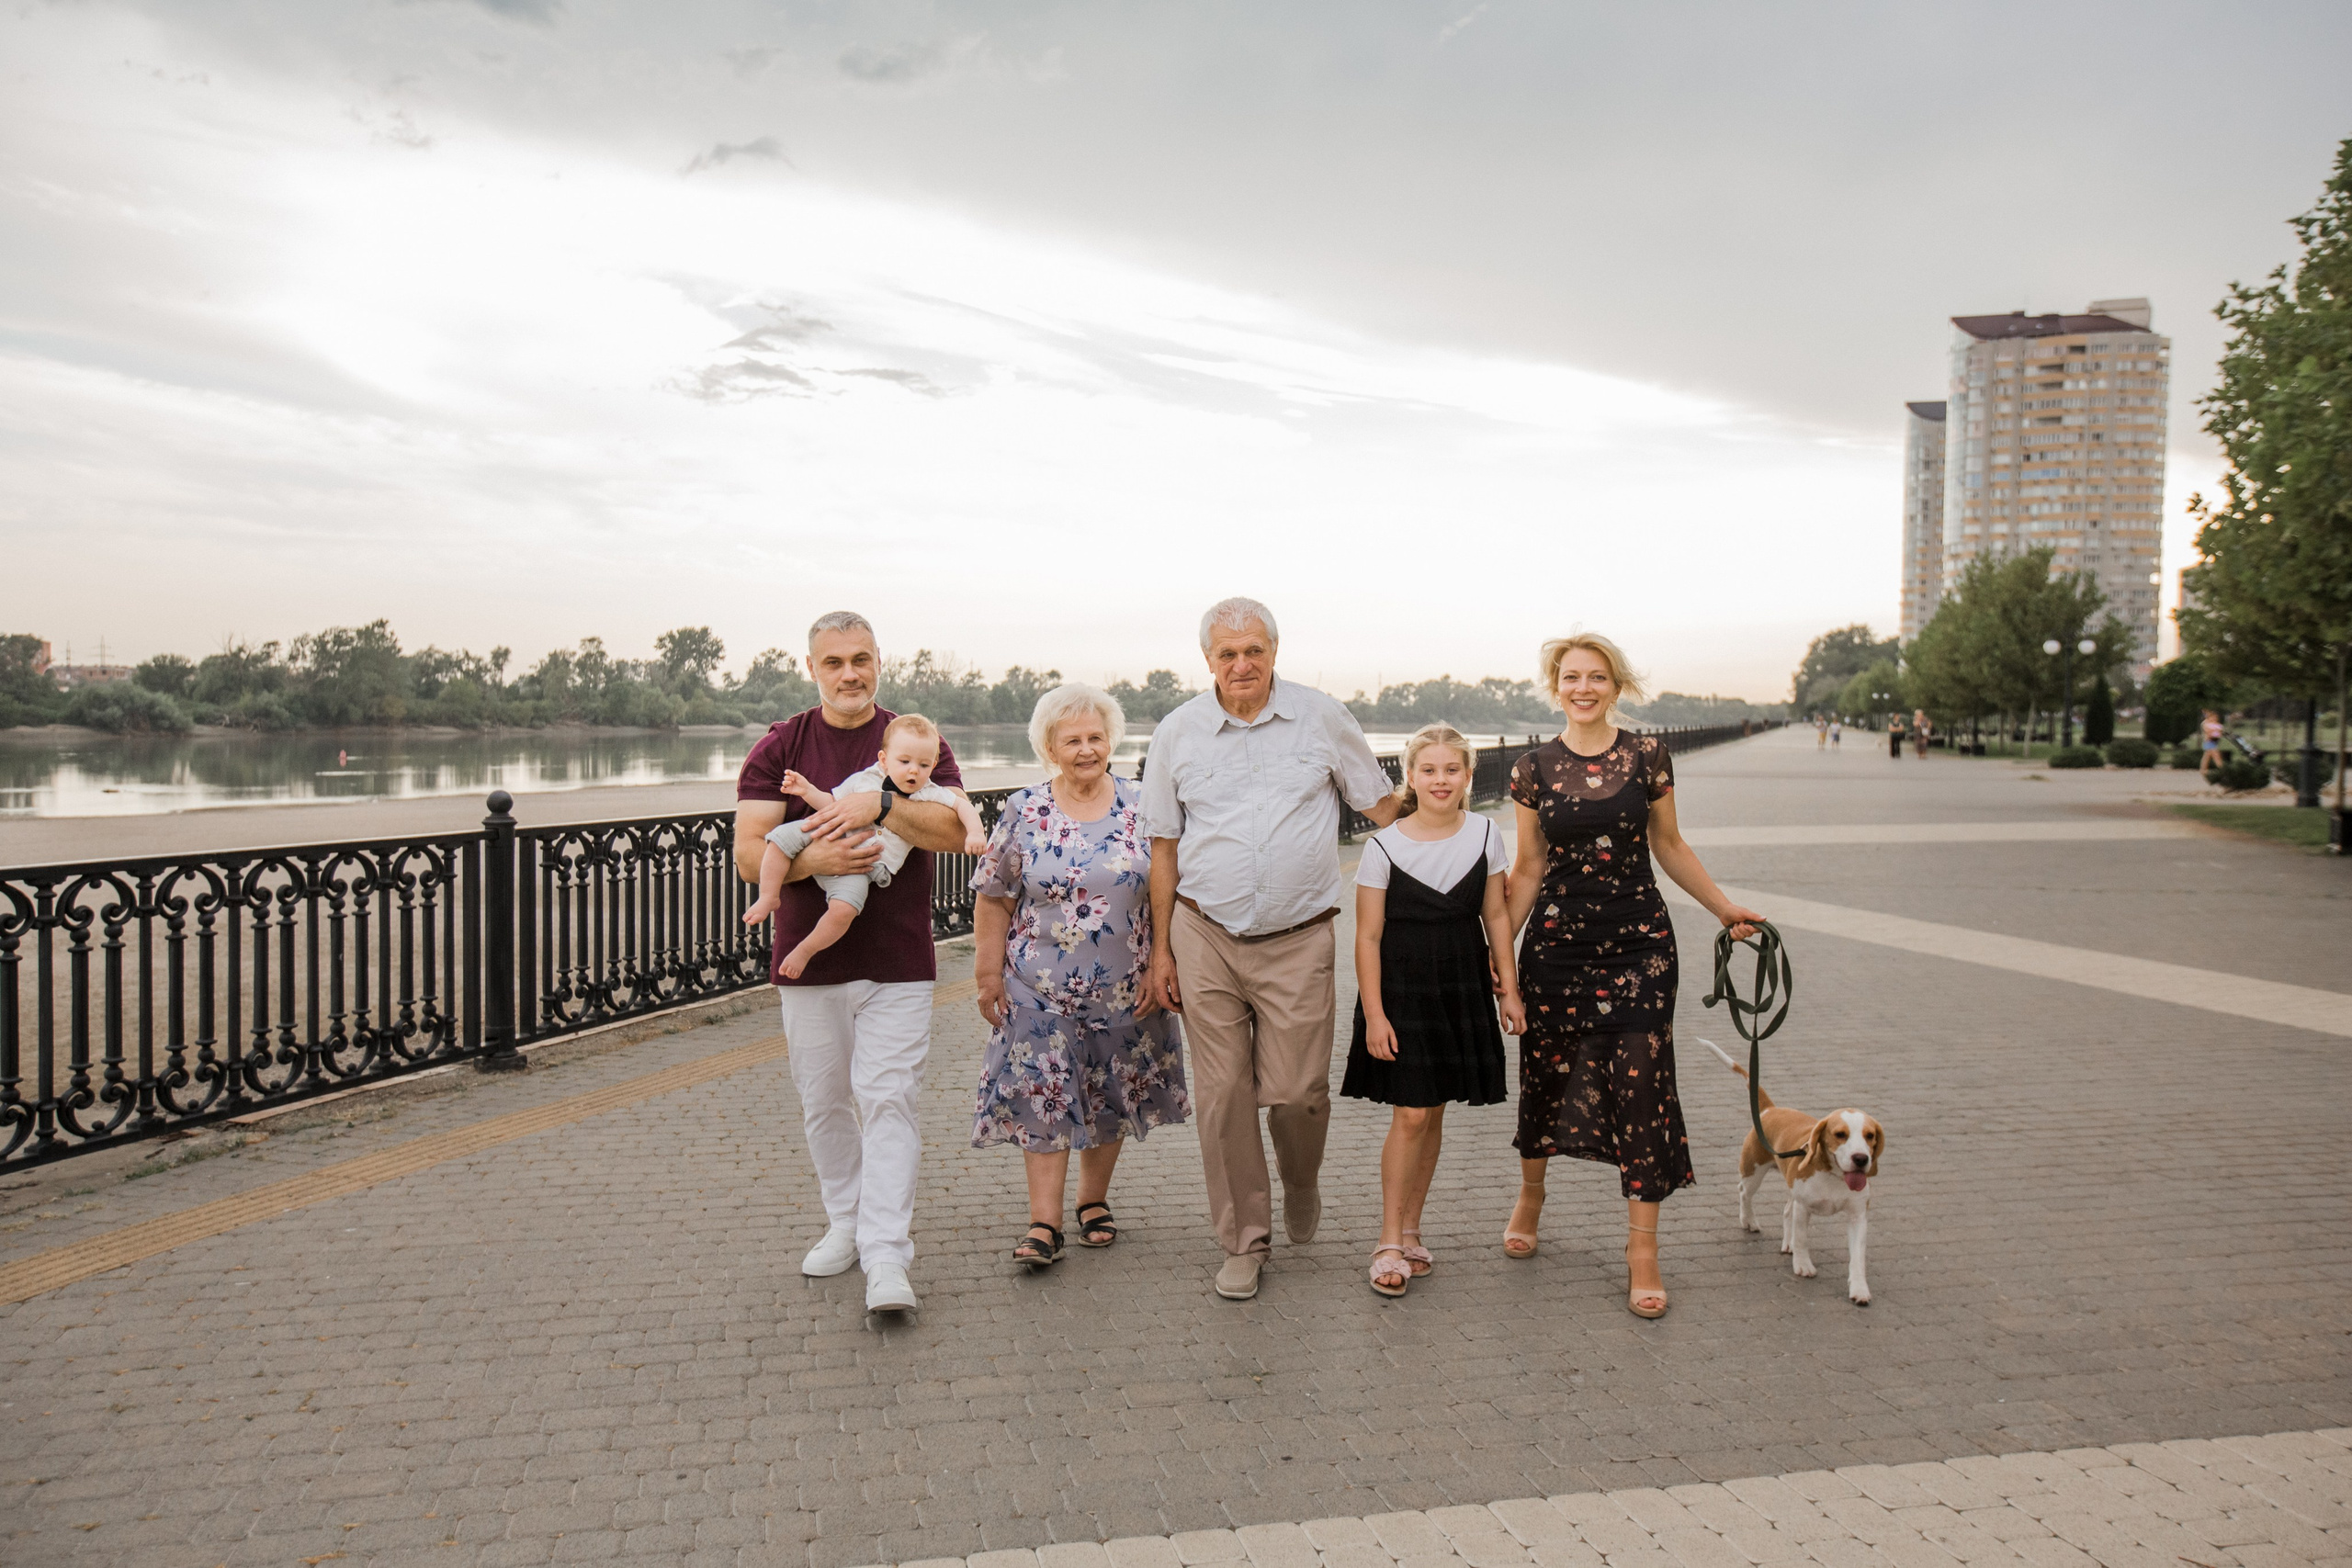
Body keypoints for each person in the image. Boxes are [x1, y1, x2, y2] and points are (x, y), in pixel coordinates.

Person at [1144, 596, 1399, 1302]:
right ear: (1207, 661)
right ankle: (1244, 1240)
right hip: (1204, 932)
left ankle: (1300, 1178)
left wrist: (1447, 796)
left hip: (1299, 938)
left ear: (1274, 651)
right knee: (1225, 1095)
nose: (1241, 664)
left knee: (1296, 1094)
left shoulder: (1322, 717)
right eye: (1226, 654)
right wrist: (1161, 949)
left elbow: (1380, 808)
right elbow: (1162, 846)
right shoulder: (1178, 732)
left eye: (1253, 650)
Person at [1504, 633, 1766, 1319]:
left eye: (1596, 677)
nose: (1582, 687)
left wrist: (1722, 908)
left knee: (1643, 1085)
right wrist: (1499, 955)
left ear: (1616, 686)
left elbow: (1668, 843)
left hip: (1640, 948)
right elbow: (1528, 866)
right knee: (1547, 1073)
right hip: (1557, 947)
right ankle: (1532, 1193)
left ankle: (1641, 1249)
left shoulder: (1647, 754)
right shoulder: (1531, 767)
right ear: (1554, 685)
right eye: (1570, 677)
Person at [733, 611, 971, 1317]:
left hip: (899, 960)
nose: (849, 673)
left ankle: (888, 1254)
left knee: (889, 1096)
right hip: (807, 963)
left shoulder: (915, 741)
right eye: (833, 661)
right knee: (824, 1100)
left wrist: (884, 799)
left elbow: (957, 831)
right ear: (812, 667)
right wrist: (819, 859)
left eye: (861, 658)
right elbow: (751, 853)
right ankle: (846, 1221)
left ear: (878, 663)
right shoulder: (781, 745)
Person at [970, 683, 1190, 1269]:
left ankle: (1093, 1200)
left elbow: (1172, 887)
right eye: (1073, 740)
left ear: (1111, 741)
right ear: (1050, 746)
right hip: (1035, 986)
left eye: (1096, 737)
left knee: (1111, 1089)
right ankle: (1044, 1222)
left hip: (1126, 983)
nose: (1087, 749)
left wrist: (1163, 961)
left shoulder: (1146, 804)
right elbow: (993, 896)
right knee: (1044, 1093)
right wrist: (987, 973)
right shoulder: (1024, 809)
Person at [1342, 724, 1521, 1297]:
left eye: (1451, 770)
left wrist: (1510, 989)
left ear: (1468, 776)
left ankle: (1414, 1228)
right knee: (1412, 1114)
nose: (1440, 780)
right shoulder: (1383, 847)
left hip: (1461, 984)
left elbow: (1496, 916)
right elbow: (1367, 938)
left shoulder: (1488, 833)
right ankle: (1388, 1239)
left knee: (1435, 1110)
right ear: (1409, 777)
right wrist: (1374, 1014)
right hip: (1401, 990)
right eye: (1429, 770)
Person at [745, 714, 988, 978]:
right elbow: (831, 803)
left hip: (862, 868)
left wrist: (975, 832)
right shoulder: (864, 778)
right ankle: (769, 896)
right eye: (904, 762)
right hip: (824, 831)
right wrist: (807, 791)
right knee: (779, 842)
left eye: (923, 764)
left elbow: (961, 807)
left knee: (844, 910)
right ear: (884, 760)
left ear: (933, 765)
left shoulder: (928, 791)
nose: (913, 770)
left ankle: (805, 950)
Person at [2200, 709, 2225, 779]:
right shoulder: (2206, 724)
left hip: (2215, 741)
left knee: (2207, 756)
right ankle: (2221, 768)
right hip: (2209, 741)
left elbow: (2220, 731)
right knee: (2216, 754)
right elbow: (2209, 732)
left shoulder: (2216, 724)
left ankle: (2203, 769)